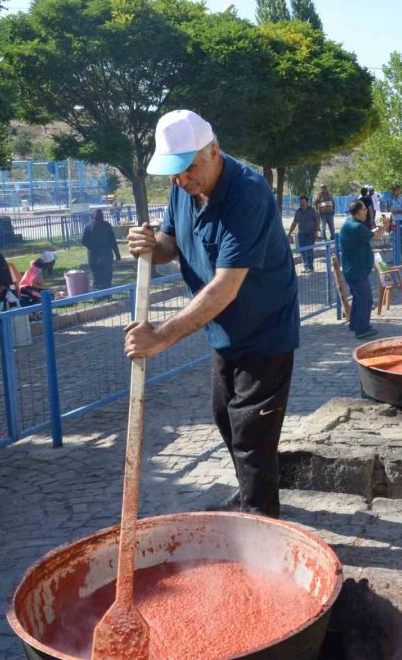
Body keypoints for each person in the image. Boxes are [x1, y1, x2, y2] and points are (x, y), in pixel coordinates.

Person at [125, 109, 299, 518]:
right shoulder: (183, 187)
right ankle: (250, 495)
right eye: (174, 174)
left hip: (265, 330)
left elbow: (225, 286)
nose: (182, 180)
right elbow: (170, 243)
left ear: (214, 151)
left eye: (189, 169)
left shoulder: (248, 194)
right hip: (222, 330)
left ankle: (259, 521)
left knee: (251, 432)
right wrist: (150, 246)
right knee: (225, 417)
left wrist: (160, 337)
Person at [339, 200, 387, 339]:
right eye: (364, 209)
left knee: (358, 298)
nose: (366, 211)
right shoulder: (356, 227)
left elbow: (368, 234)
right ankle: (362, 330)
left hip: (353, 270)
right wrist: (384, 226)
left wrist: (377, 229)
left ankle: (355, 324)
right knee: (366, 299)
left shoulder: (351, 223)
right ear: (357, 211)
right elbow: (376, 237)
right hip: (356, 271)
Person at [81, 208, 121, 289]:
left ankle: (97, 293)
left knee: (96, 276)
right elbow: (113, 241)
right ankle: (107, 292)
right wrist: (117, 255)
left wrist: (91, 246)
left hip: (93, 255)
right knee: (107, 276)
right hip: (106, 254)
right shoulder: (107, 225)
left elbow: (83, 241)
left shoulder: (88, 226)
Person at [288, 195, 320, 272]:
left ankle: (310, 267)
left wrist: (316, 232)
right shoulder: (298, 211)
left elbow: (317, 221)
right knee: (302, 251)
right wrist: (289, 233)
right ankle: (306, 267)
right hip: (301, 234)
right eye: (300, 202)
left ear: (307, 203)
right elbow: (294, 222)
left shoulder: (312, 210)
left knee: (309, 250)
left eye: (303, 202)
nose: (301, 204)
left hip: (311, 234)